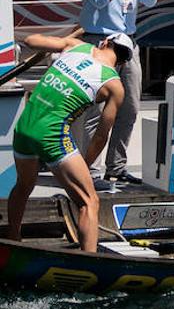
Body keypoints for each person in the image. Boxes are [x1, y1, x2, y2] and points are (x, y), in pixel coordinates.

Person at [7, 32, 131, 253]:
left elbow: (31, 41)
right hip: (53, 136)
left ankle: (13, 242)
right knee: (89, 201)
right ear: (122, 61)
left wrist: (65, 41)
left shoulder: (76, 45)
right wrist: (84, 163)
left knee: (23, 186)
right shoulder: (115, 86)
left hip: (24, 127)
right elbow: (101, 135)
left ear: (105, 42)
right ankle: (89, 263)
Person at [74, 0, 162, 186]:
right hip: (98, 44)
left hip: (128, 44)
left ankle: (117, 167)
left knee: (130, 108)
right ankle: (91, 172)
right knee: (96, 113)